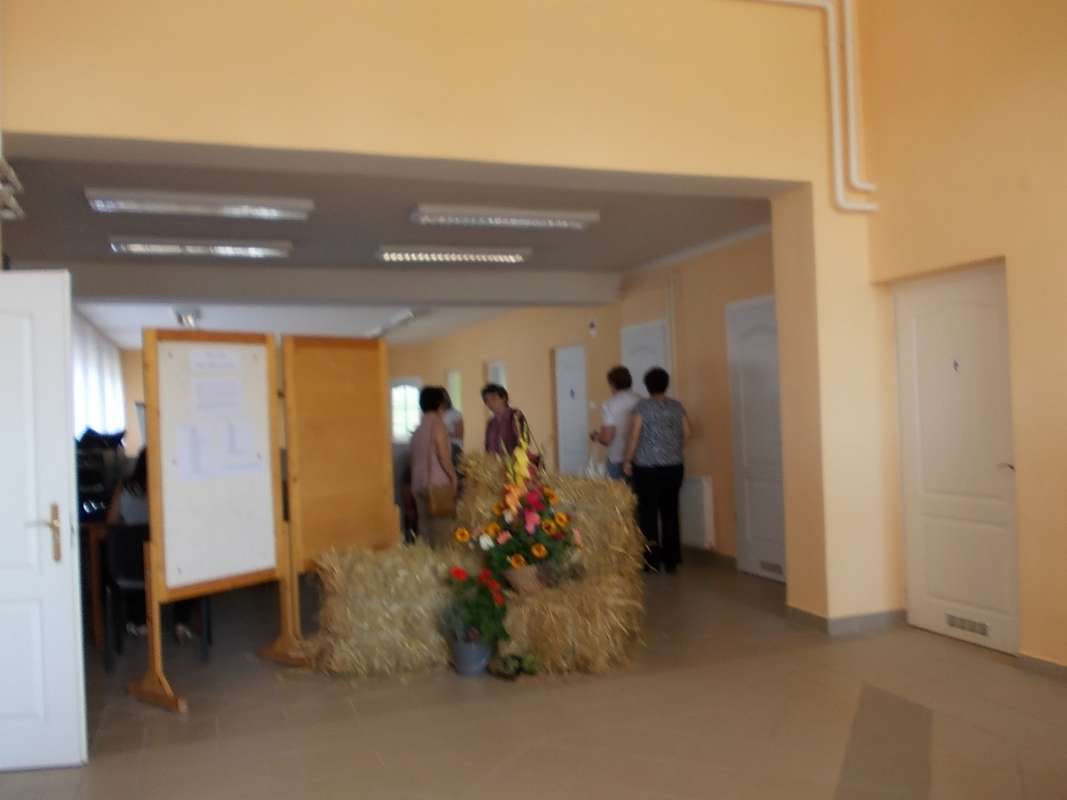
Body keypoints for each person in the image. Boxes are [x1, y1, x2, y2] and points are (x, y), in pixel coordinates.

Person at [106, 449, 197, 639]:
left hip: (131, 569)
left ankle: (140, 623)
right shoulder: (169, 488)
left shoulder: (124, 488)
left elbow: (111, 522)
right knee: (189, 569)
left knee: (134, 561)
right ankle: (181, 623)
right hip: (167, 566)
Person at [623, 368, 691, 573]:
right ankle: (671, 560)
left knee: (648, 514)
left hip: (647, 468)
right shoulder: (676, 406)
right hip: (674, 466)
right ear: (666, 384)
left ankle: (651, 560)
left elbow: (634, 436)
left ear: (647, 386)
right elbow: (688, 432)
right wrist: (675, 449)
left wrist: (628, 460)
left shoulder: (642, 407)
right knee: (670, 512)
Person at [410, 386, 460, 548]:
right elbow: (443, 456)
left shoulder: (418, 429)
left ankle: (426, 562)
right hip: (437, 485)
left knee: (425, 530)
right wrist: (453, 477)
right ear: (440, 404)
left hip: (418, 485)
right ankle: (441, 564)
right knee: (442, 532)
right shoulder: (438, 425)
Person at [590, 365, 641, 479]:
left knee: (617, 490)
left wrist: (596, 436)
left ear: (612, 384)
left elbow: (607, 439)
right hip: (640, 459)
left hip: (617, 459)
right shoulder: (641, 400)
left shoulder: (610, 405)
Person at [482, 383, 528, 456]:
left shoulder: (515, 415)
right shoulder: (491, 422)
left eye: (493, 399)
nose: (490, 403)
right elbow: (487, 447)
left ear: (504, 398)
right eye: (486, 400)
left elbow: (523, 441)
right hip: (493, 461)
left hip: (512, 460)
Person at [440, 388, 465, 464]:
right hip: (440, 447)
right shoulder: (434, 414)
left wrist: (442, 434)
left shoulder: (455, 414)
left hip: (454, 446)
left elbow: (460, 434)